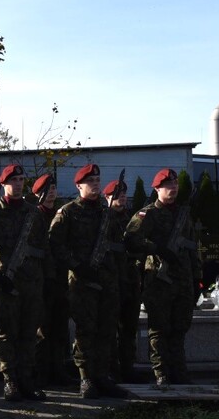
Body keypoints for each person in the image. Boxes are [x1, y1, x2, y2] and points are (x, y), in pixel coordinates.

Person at [48, 164, 127, 399]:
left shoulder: (106, 213)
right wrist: (76, 265)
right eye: (90, 181)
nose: (95, 184)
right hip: (82, 280)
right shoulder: (68, 212)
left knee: (107, 329)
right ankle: (86, 377)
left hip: (107, 279)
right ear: (79, 186)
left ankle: (102, 375)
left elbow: (118, 245)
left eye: (97, 180)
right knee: (86, 330)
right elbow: (55, 244)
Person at [0, 164, 48, 402]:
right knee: (7, 333)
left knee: (29, 332)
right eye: (13, 181)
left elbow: (43, 246)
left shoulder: (33, 213)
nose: (17, 184)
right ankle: (10, 380)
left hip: (32, 281)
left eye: (20, 180)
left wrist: (44, 276)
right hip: (7, 281)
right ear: (3, 184)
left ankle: (26, 379)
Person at [124, 168, 200, 386]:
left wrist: (197, 278)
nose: (173, 188)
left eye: (175, 184)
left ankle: (179, 372)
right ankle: (161, 373)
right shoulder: (148, 214)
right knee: (158, 329)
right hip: (159, 280)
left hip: (183, 280)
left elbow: (192, 247)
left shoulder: (183, 214)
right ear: (157, 188)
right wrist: (157, 248)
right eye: (168, 185)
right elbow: (130, 239)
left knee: (179, 328)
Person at [32, 173, 73, 386]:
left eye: (53, 189)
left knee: (60, 326)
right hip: (41, 277)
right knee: (42, 326)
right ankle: (41, 371)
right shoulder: (34, 215)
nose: (51, 193)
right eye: (46, 190)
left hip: (61, 276)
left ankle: (59, 368)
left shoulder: (62, 214)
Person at [103, 179, 142, 383]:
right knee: (109, 327)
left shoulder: (131, 218)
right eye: (118, 195)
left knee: (129, 326)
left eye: (124, 194)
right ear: (108, 197)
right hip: (111, 278)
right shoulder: (103, 219)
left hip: (130, 277)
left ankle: (128, 366)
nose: (122, 198)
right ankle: (111, 369)